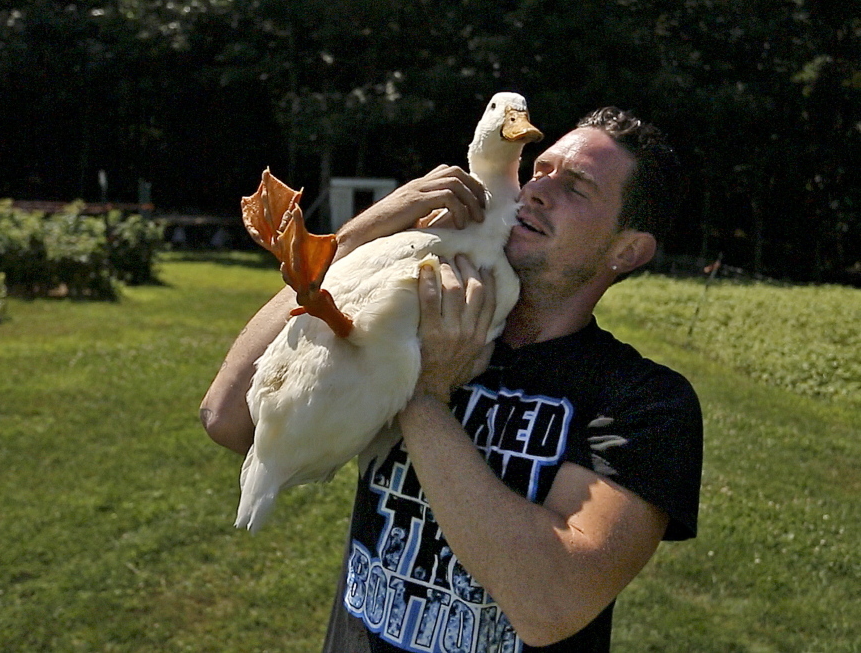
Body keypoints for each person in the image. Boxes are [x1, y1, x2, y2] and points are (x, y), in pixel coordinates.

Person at [200, 106, 703, 652]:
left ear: (628, 250)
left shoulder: (643, 403)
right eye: (543, 171)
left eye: (577, 187)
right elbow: (226, 419)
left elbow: (548, 604)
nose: (538, 191)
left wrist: (424, 395)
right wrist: (364, 231)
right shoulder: (415, 308)